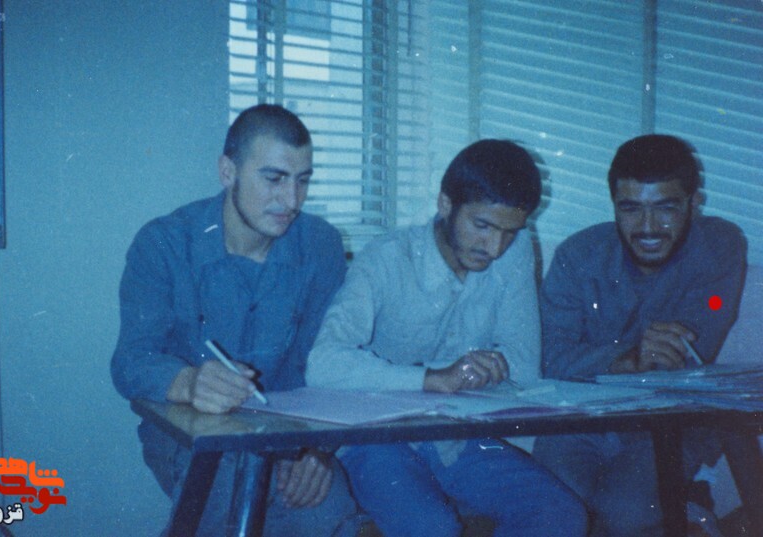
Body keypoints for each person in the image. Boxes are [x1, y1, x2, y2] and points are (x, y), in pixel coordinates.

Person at [306, 139, 588, 537]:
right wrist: (432, 379)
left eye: (509, 232)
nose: (495, 247)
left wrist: (473, 372)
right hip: (374, 439)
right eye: (482, 226)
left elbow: (524, 369)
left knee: (559, 514)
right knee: (432, 528)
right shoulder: (386, 258)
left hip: (456, 439)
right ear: (445, 204)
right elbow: (322, 364)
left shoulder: (515, 251)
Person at [110, 104, 359, 536]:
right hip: (191, 435)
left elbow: (327, 362)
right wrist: (189, 382)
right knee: (224, 497)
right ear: (228, 172)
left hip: (289, 437)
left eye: (302, 181)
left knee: (327, 507)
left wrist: (318, 449)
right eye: (274, 179)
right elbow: (130, 361)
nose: (292, 201)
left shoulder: (320, 245)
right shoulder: (164, 243)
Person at [533, 134, 747, 536]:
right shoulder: (577, 256)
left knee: (625, 511)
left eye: (665, 208)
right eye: (631, 208)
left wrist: (600, 361)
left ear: (694, 203)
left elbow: (689, 346)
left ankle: (685, 507)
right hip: (581, 422)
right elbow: (548, 357)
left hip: (669, 421)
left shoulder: (720, 245)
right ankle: (684, 508)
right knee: (556, 507)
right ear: (614, 204)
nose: (648, 228)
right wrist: (627, 360)